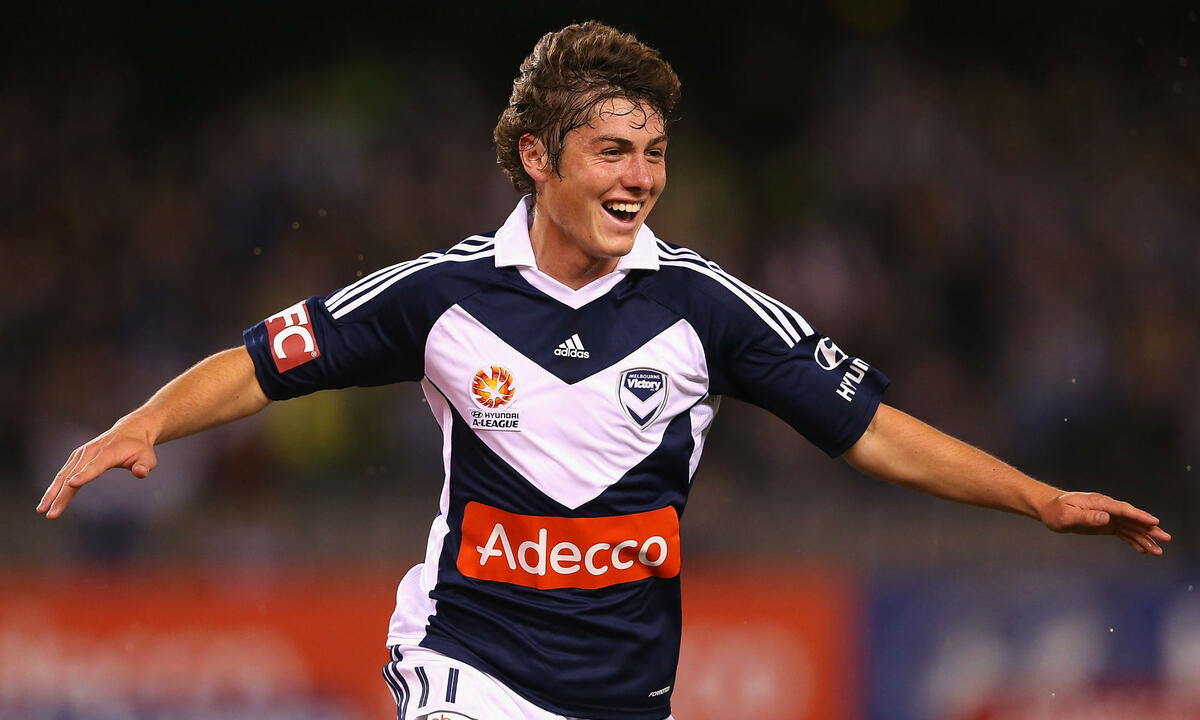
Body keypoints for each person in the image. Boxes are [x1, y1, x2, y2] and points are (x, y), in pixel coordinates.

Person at [38, 20, 1170, 720]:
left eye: (655, 153)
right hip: (462, 663)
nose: (640, 178)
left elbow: (867, 428)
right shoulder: (442, 297)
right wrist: (146, 422)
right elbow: (263, 363)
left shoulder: (705, 306)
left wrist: (1038, 498)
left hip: (624, 692)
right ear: (538, 158)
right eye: (613, 152)